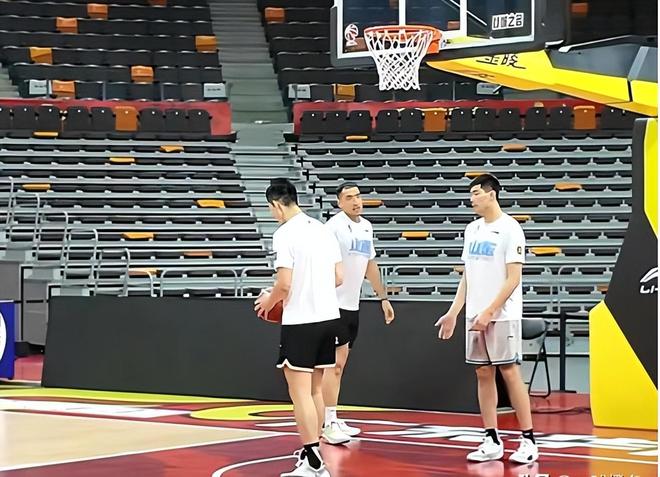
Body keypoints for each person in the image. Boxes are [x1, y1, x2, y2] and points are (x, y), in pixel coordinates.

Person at [435, 174, 539, 464]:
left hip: (502, 315)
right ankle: (491, 438)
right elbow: (467, 276)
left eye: (476, 193)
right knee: (482, 373)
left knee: (509, 372)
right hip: (475, 314)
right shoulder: (472, 230)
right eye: (471, 194)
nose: (472, 199)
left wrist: (491, 311)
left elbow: (513, 278)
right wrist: (454, 312)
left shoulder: (510, 229)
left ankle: (528, 440)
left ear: (491, 194)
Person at [255, 178, 343, 477]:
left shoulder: (284, 234)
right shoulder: (323, 229)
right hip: (329, 317)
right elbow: (339, 277)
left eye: (271, 209)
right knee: (316, 390)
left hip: (301, 320)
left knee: (300, 393)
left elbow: (284, 284)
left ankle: (313, 460)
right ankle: (313, 456)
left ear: (276, 206)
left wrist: (268, 301)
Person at [321, 182, 395, 444]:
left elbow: (369, 264)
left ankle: (332, 416)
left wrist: (383, 297)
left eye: (358, 196)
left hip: (353, 305)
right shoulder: (333, 227)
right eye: (349, 197)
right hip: (333, 305)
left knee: (340, 365)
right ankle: (328, 422)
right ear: (339, 203)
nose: (356, 201)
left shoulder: (366, 226)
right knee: (333, 366)